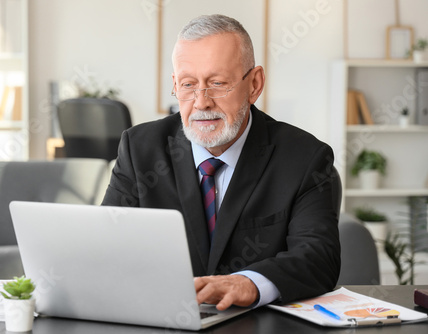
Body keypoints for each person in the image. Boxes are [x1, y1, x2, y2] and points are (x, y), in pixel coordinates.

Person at [102, 14, 340, 311]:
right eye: (188, 85)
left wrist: (251, 283)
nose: (201, 102)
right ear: (175, 84)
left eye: (217, 83)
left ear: (254, 84)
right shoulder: (139, 149)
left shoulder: (305, 158)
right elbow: (106, 246)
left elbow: (319, 258)